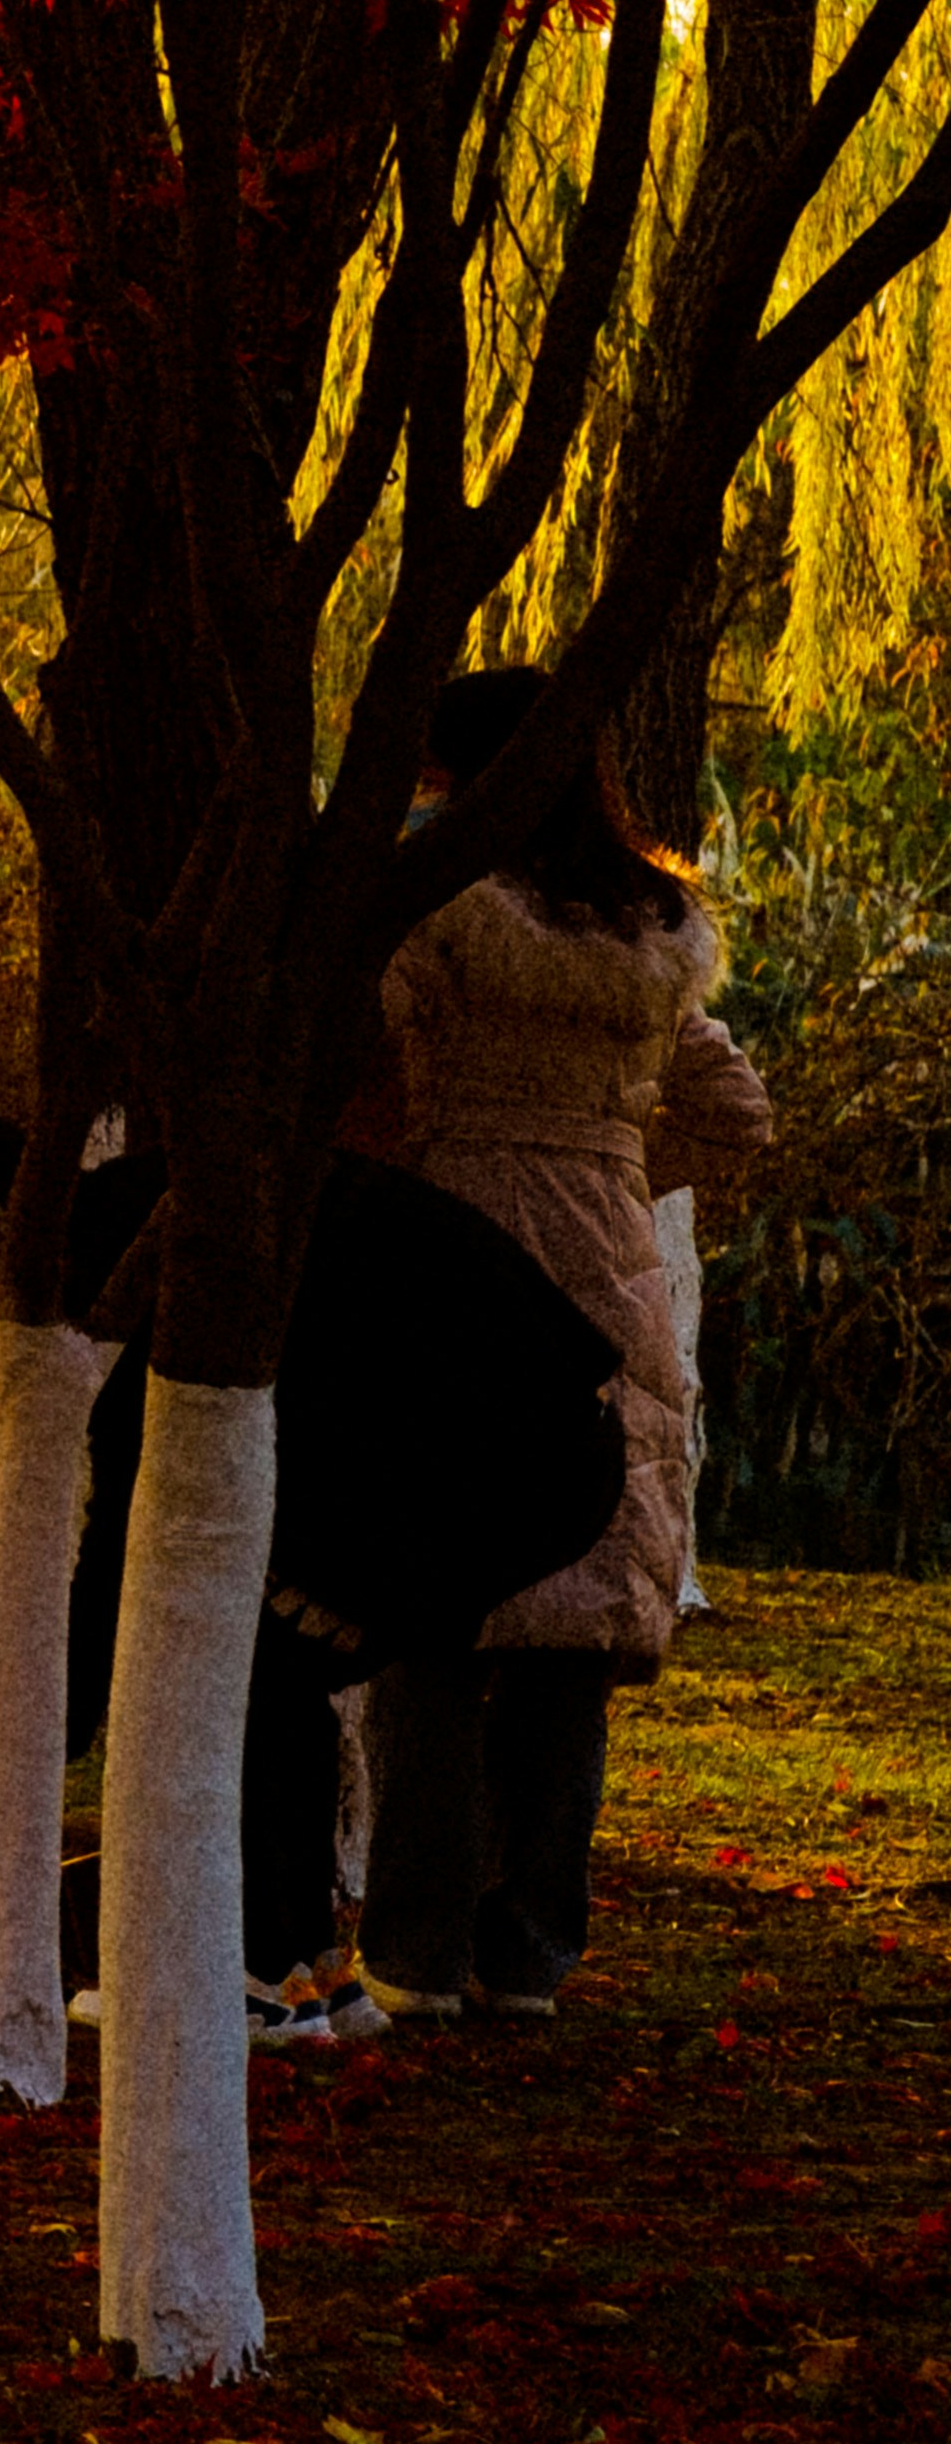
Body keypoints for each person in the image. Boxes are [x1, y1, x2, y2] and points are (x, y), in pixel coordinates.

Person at [0, 1123, 625, 2041]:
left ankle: (257, 1968)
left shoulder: (137, 1261)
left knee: (224, 1649)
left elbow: (128, 1522)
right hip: (521, 1448)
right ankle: (307, 1969)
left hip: (487, 1454)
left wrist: (25, 1743)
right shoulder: (156, 1209)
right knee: (271, 1654)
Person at [348, 665, 774, 2021]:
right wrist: (610, 1161)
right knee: (568, 1647)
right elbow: (737, 1115)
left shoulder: (439, 915)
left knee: (432, 1627)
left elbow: (369, 1059)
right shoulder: (649, 928)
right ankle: (529, 1957)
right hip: (609, 1285)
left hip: (452, 1251)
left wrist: (437, 1155)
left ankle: (415, 1956)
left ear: (451, 778)